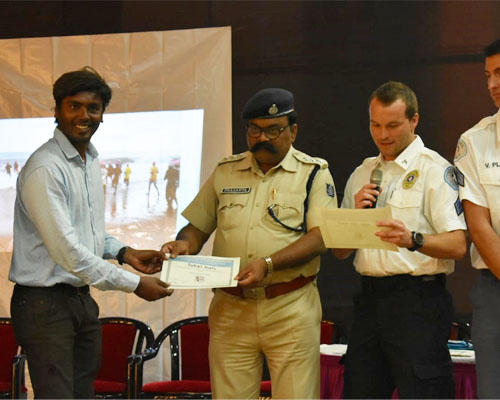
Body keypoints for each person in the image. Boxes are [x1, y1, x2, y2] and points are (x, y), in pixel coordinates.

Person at [8, 67, 173, 399]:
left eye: (93, 108)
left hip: (80, 300)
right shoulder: (45, 167)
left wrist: (126, 253)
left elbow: (89, 231)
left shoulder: (89, 160)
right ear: (57, 110)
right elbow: (67, 251)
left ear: (102, 115)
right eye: (74, 106)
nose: (84, 116)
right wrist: (135, 284)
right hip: (44, 304)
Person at [162, 88, 337, 399]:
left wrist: (268, 265)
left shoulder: (313, 173)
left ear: (293, 131)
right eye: (255, 129)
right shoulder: (226, 171)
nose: (262, 138)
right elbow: (197, 228)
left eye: (273, 130)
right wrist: (183, 245)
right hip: (231, 308)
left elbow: (320, 237)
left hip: (289, 306)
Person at [334, 81, 467, 399]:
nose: (383, 135)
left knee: (424, 391)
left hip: (417, 302)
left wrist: (413, 239)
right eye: (375, 125)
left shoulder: (434, 170)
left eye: (392, 125)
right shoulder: (362, 172)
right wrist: (354, 215)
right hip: (369, 301)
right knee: (359, 390)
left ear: (414, 120)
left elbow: (458, 245)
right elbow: (339, 251)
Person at [454, 38, 500, 399]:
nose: (493, 84)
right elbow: (479, 227)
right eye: (487, 75)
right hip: (494, 289)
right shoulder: (474, 141)